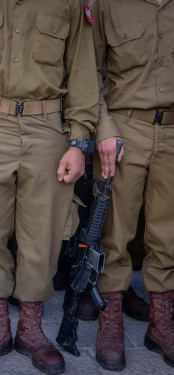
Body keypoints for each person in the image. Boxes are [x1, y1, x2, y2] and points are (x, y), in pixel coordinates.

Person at [0, 1, 98, 373]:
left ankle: (31, 329)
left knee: (42, 233)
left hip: (47, 127)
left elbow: (83, 72)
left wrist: (79, 141)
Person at [90, 0, 174, 370]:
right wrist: (103, 128)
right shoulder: (108, 3)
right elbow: (87, 74)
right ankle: (110, 323)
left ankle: (161, 324)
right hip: (124, 129)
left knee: (168, 236)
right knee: (115, 234)